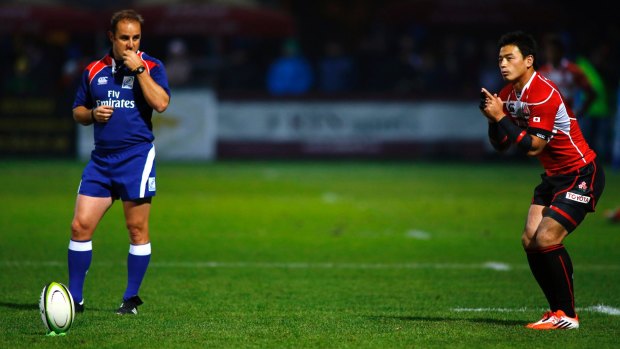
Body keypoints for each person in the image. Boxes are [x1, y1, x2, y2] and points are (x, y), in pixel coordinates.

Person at [479, 31, 605, 330]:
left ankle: (568, 315)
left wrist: (501, 118)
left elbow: (535, 147)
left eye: (510, 58)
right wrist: (493, 118)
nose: (503, 64)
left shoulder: (544, 92)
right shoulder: (509, 93)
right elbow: (501, 145)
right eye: (500, 59)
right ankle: (555, 310)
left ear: (529, 60)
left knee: (547, 238)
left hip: (580, 173)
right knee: (530, 241)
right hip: (553, 177)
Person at [69, 9, 170, 315]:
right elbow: (77, 111)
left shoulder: (152, 66)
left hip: (136, 158)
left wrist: (139, 71)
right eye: (124, 38)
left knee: (136, 230)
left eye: (136, 37)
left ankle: (130, 299)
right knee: (79, 226)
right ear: (111, 37)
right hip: (101, 160)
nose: (130, 44)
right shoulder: (93, 70)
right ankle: (75, 299)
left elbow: (161, 104)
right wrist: (92, 114)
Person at [538, 33, 596, 120]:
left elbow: (592, 93)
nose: (551, 53)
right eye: (548, 50)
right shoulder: (542, 73)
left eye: (554, 50)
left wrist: (579, 112)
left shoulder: (573, 70)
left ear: (561, 51)